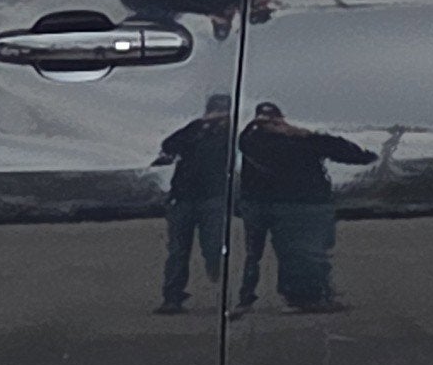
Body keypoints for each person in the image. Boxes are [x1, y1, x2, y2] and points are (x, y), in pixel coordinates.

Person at [233, 101, 375, 314]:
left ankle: (312, 294)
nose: (273, 125)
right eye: (266, 121)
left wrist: (305, 134)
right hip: (284, 205)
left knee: (307, 251)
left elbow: (354, 155)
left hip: (305, 204)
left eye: (275, 120)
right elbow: (245, 144)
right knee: (287, 252)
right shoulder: (254, 141)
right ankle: (289, 296)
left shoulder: (302, 140)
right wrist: (261, 129)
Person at [154, 95, 234, 313]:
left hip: (214, 198)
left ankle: (225, 292)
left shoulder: (232, 133)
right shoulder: (195, 130)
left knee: (214, 248)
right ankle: (172, 298)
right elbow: (170, 144)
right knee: (178, 251)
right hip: (183, 198)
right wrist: (201, 124)